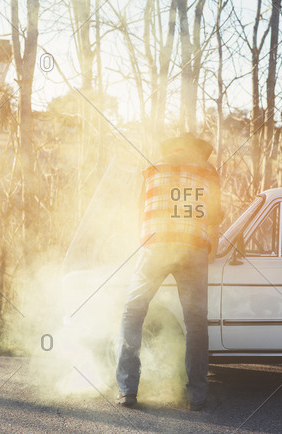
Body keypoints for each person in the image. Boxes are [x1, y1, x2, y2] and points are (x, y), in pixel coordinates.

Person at [115, 134, 221, 411]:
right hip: (192, 247)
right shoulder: (207, 172)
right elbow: (213, 218)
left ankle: (127, 389)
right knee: (196, 323)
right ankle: (197, 395)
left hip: (155, 247)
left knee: (132, 313)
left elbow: (140, 215)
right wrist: (209, 249)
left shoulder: (151, 169)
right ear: (197, 151)